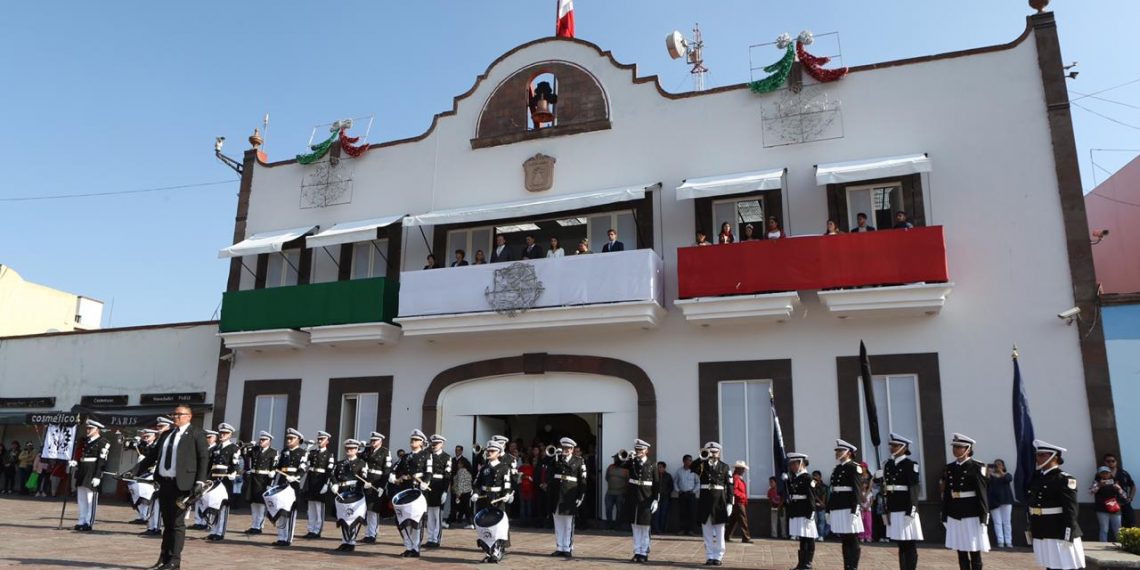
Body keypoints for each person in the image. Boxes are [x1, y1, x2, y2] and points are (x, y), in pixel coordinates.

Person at [123, 405, 210, 570]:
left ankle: (174, 561)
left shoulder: (196, 433)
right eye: (174, 414)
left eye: (179, 414)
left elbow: (203, 458)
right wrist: (133, 471)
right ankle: (164, 558)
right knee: (167, 523)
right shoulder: (166, 434)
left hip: (182, 485)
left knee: (177, 523)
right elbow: (152, 456)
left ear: (189, 416)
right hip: (164, 483)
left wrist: (200, 481)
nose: (175, 417)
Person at [1029, 440, 1085, 569]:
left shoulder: (1064, 479)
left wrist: (1068, 532)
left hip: (1058, 529)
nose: (1037, 458)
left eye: (1042, 455)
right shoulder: (1037, 478)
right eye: (1037, 455)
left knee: (1067, 566)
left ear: (1054, 457)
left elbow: (1071, 509)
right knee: (1050, 565)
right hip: (1042, 528)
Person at [942, 433, 990, 570]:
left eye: (959, 447)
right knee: (960, 550)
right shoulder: (950, 467)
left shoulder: (977, 467)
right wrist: (944, 513)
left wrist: (984, 516)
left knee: (974, 551)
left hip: (971, 514)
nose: (955, 449)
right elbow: (947, 493)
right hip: (954, 513)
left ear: (968, 449)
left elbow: (982, 494)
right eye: (954, 447)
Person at [878, 433, 924, 570]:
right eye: (891, 445)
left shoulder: (910, 465)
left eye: (895, 445)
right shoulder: (888, 465)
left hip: (906, 508)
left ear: (904, 448)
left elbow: (914, 489)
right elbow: (886, 490)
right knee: (901, 544)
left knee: (909, 544)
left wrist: (911, 511)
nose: (892, 448)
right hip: (894, 508)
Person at [473, 440, 514, 563]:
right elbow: (477, 484)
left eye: (492, 451)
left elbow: (507, 484)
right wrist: (475, 493)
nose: (489, 453)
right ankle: (488, 551)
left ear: (499, 453)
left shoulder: (504, 468)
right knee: (485, 526)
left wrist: (506, 495)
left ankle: (497, 551)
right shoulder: (484, 468)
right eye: (488, 451)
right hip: (485, 499)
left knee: (497, 527)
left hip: (497, 499)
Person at [694, 441, 733, 566]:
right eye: (710, 452)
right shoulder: (702, 466)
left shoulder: (724, 467)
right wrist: (702, 457)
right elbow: (692, 467)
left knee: (720, 531)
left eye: (715, 452)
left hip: (719, 502)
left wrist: (730, 503)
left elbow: (730, 486)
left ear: (719, 453)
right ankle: (710, 556)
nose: (713, 454)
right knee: (707, 531)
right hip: (705, 502)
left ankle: (719, 556)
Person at [391, 429, 429, 557]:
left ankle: (415, 548)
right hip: (405, 489)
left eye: (416, 440)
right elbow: (395, 469)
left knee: (416, 521)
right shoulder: (405, 457)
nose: (413, 442)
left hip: (417, 490)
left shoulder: (426, 455)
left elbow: (429, 472)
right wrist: (393, 477)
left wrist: (426, 482)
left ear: (421, 442)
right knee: (402, 520)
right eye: (412, 440)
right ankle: (408, 546)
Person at [547, 437, 587, 557]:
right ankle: (560, 547)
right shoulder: (557, 459)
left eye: (568, 448)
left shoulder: (579, 461)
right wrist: (555, 457)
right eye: (564, 448)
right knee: (558, 522)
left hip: (570, 495)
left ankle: (568, 548)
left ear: (572, 449)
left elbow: (583, 480)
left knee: (568, 523)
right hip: (557, 494)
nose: (566, 450)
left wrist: (581, 496)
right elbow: (548, 469)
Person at [622, 439, 660, 563]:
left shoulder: (652, 464)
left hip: (646, 498)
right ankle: (637, 552)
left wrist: (656, 500)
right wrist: (629, 457)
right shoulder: (632, 462)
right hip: (633, 498)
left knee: (645, 527)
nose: (639, 451)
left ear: (646, 450)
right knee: (635, 527)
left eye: (641, 449)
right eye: (637, 449)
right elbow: (619, 464)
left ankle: (644, 553)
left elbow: (656, 484)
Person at [828, 439, 864, 570]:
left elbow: (857, 491)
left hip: (849, 507)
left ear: (848, 453)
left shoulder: (854, 467)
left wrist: (855, 510)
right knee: (844, 539)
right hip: (838, 506)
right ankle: (847, 566)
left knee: (852, 538)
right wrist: (828, 510)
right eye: (837, 451)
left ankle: (853, 567)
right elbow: (833, 491)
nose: (837, 453)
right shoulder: (837, 469)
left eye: (840, 450)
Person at [71, 420, 112, 531]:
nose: (88, 430)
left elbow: (102, 461)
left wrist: (98, 476)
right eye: (87, 428)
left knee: (90, 498)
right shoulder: (85, 441)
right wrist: (76, 462)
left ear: (97, 429)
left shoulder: (103, 442)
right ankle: (81, 520)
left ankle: (89, 522)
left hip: (92, 471)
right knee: (81, 498)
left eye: (91, 428)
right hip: (82, 471)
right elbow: (82, 455)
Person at [271, 428, 309, 546]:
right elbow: (278, 467)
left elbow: (303, 469)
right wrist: (272, 478)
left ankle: (288, 538)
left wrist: (296, 476)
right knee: (281, 509)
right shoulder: (284, 452)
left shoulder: (303, 453)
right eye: (288, 438)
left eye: (291, 438)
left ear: (298, 440)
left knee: (291, 511)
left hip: (293, 484)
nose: (288, 440)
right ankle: (281, 537)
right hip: (282, 482)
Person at [205, 423, 241, 542]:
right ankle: (213, 530)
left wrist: (233, 472)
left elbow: (235, 463)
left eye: (225, 433)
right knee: (213, 505)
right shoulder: (216, 448)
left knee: (223, 506)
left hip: (225, 480)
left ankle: (220, 532)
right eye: (221, 433)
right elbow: (210, 464)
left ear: (230, 435)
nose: (222, 435)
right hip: (214, 478)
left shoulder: (234, 448)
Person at [330, 439, 368, 552]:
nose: (349, 450)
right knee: (343, 517)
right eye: (347, 448)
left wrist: (366, 483)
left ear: (356, 450)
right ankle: (345, 541)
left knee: (352, 517)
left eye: (351, 448)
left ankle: (351, 542)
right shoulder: (339, 463)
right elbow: (333, 475)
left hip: (354, 492)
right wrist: (334, 484)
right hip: (342, 491)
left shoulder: (361, 463)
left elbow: (364, 477)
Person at [786, 453, 819, 570]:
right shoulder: (795, 478)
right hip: (797, 510)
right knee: (802, 538)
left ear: (802, 463)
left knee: (809, 537)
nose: (792, 466)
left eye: (795, 464)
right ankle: (801, 564)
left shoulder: (808, 478)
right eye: (791, 464)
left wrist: (811, 514)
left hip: (805, 511)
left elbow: (811, 498)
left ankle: (807, 564)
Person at [242, 432, 278, 535]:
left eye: (264, 440)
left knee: (261, 504)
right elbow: (244, 455)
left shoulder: (273, 452)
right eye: (260, 439)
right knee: (253, 504)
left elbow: (273, 469)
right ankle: (254, 525)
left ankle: (259, 527)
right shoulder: (255, 450)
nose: (261, 441)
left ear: (269, 441)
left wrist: (270, 483)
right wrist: (247, 446)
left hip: (263, 480)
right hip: (253, 478)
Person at [360, 431, 391, 544]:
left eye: (375, 440)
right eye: (372, 440)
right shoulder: (367, 450)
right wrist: (360, 449)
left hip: (377, 482)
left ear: (380, 441)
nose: (373, 442)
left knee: (374, 509)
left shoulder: (385, 452)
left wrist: (382, 486)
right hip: (366, 481)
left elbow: (387, 471)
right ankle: (368, 533)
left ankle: (373, 534)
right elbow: (360, 460)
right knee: (367, 509)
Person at [303, 430, 335, 540]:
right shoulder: (312, 452)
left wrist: (326, 484)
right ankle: (310, 529)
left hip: (320, 481)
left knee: (318, 508)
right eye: (319, 439)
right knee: (310, 508)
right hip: (311, 480)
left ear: (327, 441)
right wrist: (307, 450)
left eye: (322, 439)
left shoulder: (329, 455)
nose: (320, 441)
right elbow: (305, 465)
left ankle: (317, 530)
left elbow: (329, 471)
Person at [424, 434, 453, 548]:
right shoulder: (428, 455)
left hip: (439, 487)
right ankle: (430, 538)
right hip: (429, 486)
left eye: (436, 444)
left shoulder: (446, 457)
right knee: (430, 514)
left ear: (442, 444)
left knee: (437, 515)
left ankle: (436, 539)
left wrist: (445, 491)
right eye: (433, 443)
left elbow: (447, 476)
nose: (434, 445)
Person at [189, 429, 218, 530]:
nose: (207, 439)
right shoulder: (204, 448)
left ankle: (206, 521)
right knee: (198, 498)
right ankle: (198, 521)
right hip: (200, 476)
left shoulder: (216, 449)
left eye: (209, 437)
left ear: (215, 438)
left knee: (207, 501)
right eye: (206, 437)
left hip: (210, 477)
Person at [1092, 466, 1125, 542]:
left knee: (1118, 529)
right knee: (1104, 529)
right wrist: (1099, 486)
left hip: (1114, 508)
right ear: (1099, 474)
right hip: (1101, 508)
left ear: (1110, 473)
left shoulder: (1115, 482)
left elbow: (1124, 495)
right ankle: (1103, 545)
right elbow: (1091, 492)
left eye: (1106, 473)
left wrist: (1119, 489)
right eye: (1102, 473)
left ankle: (1121, 544)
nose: (1105, 475)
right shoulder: (1096, 482)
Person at [1103, 453, 1135, 528]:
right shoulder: (1101, 474)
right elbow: (1097, 486)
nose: (1111, 463)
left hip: (1124, 501)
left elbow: (1133, 486)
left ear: (1116, 462)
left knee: (1130, 523)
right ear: (1105, 462)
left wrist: (1130, 498)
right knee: (1117, 526)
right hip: (1111, 503)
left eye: (1113, 461)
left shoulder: (1123, 473)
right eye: (1108, 461)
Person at [989, 458, 1014, 548]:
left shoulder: (1007, 474)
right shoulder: (991, 476)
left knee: (1007, 522)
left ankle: (1008, 541)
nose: (997, 466)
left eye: (999, 464)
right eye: (995, 465)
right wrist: (988, 473)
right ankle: (1000, 541)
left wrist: (1000, 471)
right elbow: (985, 483)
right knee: (997, 522)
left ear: (1003, 466)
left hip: (1006, 500)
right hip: (994, 502)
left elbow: (1008, 479)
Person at [727, 462, 752, 543]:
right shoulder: (736, 478)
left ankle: (726, 536)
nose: (744, 470)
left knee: (733, 520)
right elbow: (734, 491)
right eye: (743, 469)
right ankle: (746, 537)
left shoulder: (737, 478)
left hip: (739, 502)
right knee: (743, 520)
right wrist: (743, 496)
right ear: (738, 469)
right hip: (738, 502)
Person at [675, 455, 699, 535]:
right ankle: (682, 530)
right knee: (682, 512)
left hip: (691, 494)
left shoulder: (694, 471)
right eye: (689, 460)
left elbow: (698, 482)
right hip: (682, 494)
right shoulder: (679, 471)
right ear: (684, 461)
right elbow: (675, 482)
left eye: (691, 460)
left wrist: (694, 491)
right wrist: (678, 490)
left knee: (692, 513)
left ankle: (691, 530)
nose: (690, 462)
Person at [605, 454, 630, 530]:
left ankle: (618, 526)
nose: (615, 460)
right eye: (614, 458)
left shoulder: (626, 469)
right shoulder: (610, 467)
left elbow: (628, 481)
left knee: (619, 510)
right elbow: (607, 478)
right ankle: (609, 524)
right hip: (610, 493)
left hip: (621, 493)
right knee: (608, 509)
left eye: (616, 458)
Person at [452, 456, 474, 529]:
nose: (458, 465)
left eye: (459, 463)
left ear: (462, 464)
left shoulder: (461, 471)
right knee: (463, 507)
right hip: (467, 492)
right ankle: (459, 520)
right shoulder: (468, 471)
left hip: (462, 492)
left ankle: (470, 523)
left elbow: (460, 483)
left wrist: (458, 494)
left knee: (465, 508)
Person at [653, 461, 673, 534]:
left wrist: (666, 493)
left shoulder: (668, 476)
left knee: (663, 514)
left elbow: (671, 487)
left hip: (665, 497)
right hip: (656, 497)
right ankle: (656, 529)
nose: (659, 469)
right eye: (658, 467)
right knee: (656, 513)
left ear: (664, 468)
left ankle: (662, 529)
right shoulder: (655, 475)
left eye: (660, 467)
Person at [812, 470, 830, 540]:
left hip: (822, 507)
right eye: (813, 476)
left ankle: (821, 535)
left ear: (820, 477)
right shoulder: (812, 487)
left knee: (821, 522)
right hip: (814, 506)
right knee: (814, 522)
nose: (815, 477)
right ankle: (814, 535)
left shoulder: (824, 487)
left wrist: (824, 505)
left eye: (816, 476)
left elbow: (827, 497)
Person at [765, 474, 783, 540]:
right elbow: (769, 499)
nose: (770, 484)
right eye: (770, 482)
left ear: (776, 482)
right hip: (773, 507)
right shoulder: (770, 491)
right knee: (773, 521)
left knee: (782, 521)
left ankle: (784, 534)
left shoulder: (780, 489)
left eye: (772, 482)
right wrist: (772, 505)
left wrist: (779, 506)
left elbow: (783, 499)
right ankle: (774, 534)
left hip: (781, 507)